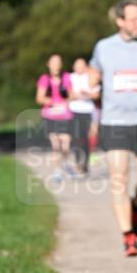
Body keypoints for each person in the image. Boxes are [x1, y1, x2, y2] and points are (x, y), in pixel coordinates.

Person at [88, 0, 137, 257]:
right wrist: (91, 87)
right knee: (119, 178)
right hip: (114, 121)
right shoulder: (104, 47)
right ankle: (129, 236)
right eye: (133, 19)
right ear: (120, 21)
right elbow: (94, 75)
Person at [35, 54, 73, 182]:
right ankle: (57, 171)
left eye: (58, 63)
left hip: (65, 115)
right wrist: (53, 102)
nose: (56, 65)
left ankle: (66, 163)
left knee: (66, 145)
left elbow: (72, 96)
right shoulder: (44, 79)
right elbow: (39, 98)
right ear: (48, 64)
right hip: (50, 116)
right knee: (56, 145)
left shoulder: (66, 77)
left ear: (61, 65)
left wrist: (66, 101)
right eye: (54, 63)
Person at [68, 57, 99, 175]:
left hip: (87, 111)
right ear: (74, 67)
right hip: (73, 110)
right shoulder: (70, 77)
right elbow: (66, 93)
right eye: (77, 65)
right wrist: (73, 95)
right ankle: (77, 163)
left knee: (85, 139)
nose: (79, 68)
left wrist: (86, 93)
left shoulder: (90, 78)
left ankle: (85, 163)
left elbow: (96, 94)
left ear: (85, 66)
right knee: (75, 138)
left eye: (81, 65)